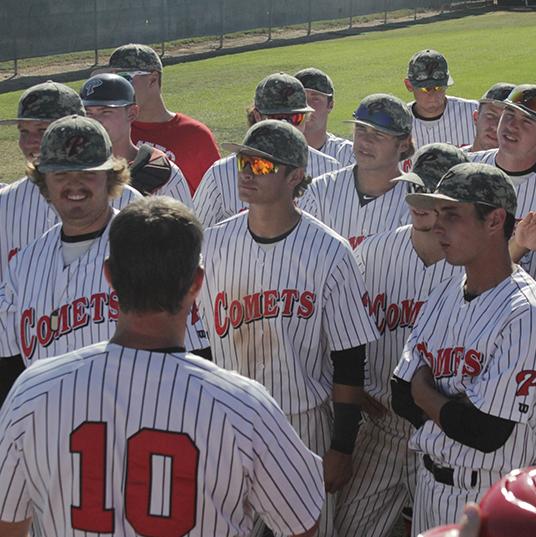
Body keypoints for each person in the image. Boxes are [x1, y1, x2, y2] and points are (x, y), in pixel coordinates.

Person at [0, 196, 324, 537]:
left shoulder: (34, 391)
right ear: (197, 283)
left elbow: (8, 523)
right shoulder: (244, 405)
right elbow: (302, 524)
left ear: (109, 276)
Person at [199, 119, 380, 536]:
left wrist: (341, 446)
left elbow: (350, 358)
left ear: (295, 176)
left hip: (301, 427)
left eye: (262, 166)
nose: (246, 172)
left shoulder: (329, 252)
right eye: (244, 161)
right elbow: (201, 343)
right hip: (227, 422)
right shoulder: (213, 245)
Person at [0, 116, 207, 405]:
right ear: (44, 181)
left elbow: (198, 354)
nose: (74, 185)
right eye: (61, 174)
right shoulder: (23, 267)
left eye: (87, 172)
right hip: (52, 434)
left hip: (146, 422)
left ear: (110, 177)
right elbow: (9, 372)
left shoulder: (150, 246)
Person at [392, 162, 536, 535]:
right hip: (427, 488)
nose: (437, 225)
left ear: (494, 221)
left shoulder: (525, 314)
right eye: (437, 213)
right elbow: (399, 396)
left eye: (452, 214)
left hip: (493, 503)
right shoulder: (443, 293)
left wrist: (425, 391)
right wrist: (450, 406)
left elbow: (485, 432)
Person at [336, 144, 468, 537]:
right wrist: (353, 392)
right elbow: (338, 332)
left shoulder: (471, 265)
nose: (418, 202)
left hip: (446, 434)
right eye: (415, 190)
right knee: (349, 530)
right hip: (381, 428)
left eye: (432, 195)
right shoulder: (372, 253)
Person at [0, 81, 141, 283]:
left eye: (42, 130)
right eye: (24, 131)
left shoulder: (127, 201)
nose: (30, 142)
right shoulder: (5, 204)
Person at [193, 72, 340, 228]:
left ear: (306, 118)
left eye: (295, 117)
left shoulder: (330, 170)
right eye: (276, 117)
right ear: (257, 116)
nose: (286, 125)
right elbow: (196, 235)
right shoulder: (220, 174)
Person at [299, 93, 414, 249]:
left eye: (378, 134)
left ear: (404, 144)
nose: (366, 141)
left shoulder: (417, 204)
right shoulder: (318, 192)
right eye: (361, 129)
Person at [105, 43, 220, 195]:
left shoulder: (195, 135)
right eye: (112, 79)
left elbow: (220, 198)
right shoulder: (110, 132)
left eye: (124, 78)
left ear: (153, 79)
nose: (117, 87)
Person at [80, 73, 192, 204]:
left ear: (132, 113)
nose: (96, 121)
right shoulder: (67, 169)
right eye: (88, 113)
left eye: (106, 112)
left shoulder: (163, 173)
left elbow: (184, 223)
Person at [469, 85, 536, 277]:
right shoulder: (464, 168)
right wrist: (519, 244)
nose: (512, 126)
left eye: (527, 121)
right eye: (509, 114)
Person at [404, 49, 478, 149]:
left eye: (439, 87)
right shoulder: (398, 121)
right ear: (409, 85)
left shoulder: (474, 112)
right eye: (426, 88)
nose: (433, 93)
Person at [294, 67, 354, 166]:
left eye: (315, 99)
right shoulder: (273, 152)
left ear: (330, 105)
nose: (307, 106)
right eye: (301, 98)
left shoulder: (349, 156)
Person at [465, 83, 515, 152]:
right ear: (476, 118)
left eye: (506, 119)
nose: (496, 127)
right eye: (490, 116)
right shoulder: (452, 160)